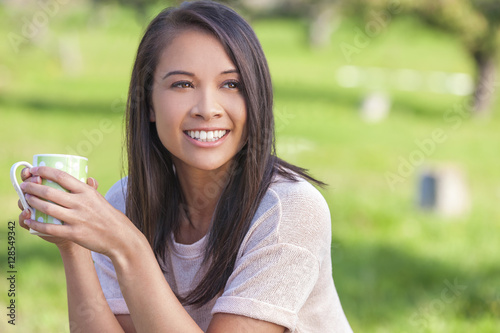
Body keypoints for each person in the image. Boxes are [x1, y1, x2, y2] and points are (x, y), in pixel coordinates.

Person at [17, 1, 352, 332]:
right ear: (148, 102)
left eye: (231, 84)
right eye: (183, 84)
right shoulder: (126, 200)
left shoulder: (288, 211)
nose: (207, 109)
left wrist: (126, 245)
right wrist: (73, 243)